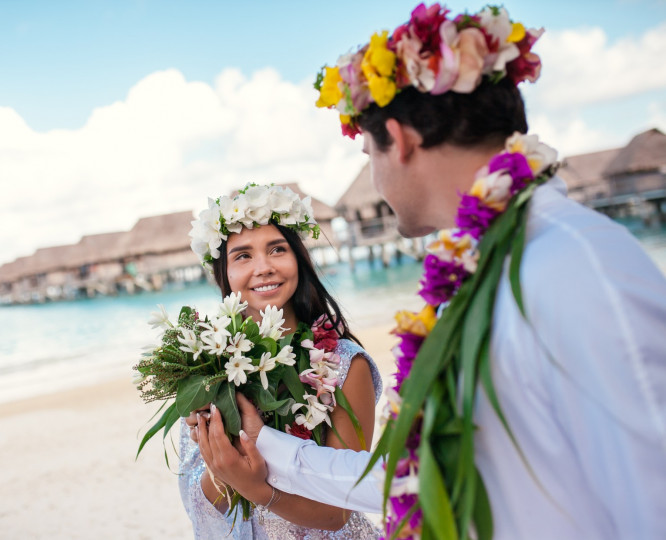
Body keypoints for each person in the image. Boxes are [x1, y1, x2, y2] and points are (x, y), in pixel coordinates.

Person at [197, 3, 666, 539]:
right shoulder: (476, 272)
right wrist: (265, 449)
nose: (374, 180)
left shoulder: (574, 263)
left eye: (370, 154)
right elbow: (410, 473)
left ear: (399, 139)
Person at [179, 183, 383, 538]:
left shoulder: (346, 365)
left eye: (277, 249)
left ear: (299, 258)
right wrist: (221, 459)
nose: (264, 268)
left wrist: (261, 489)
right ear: (223, 272)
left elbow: (338, 512)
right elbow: (203, 497)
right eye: (243, 255)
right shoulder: (209, 367)